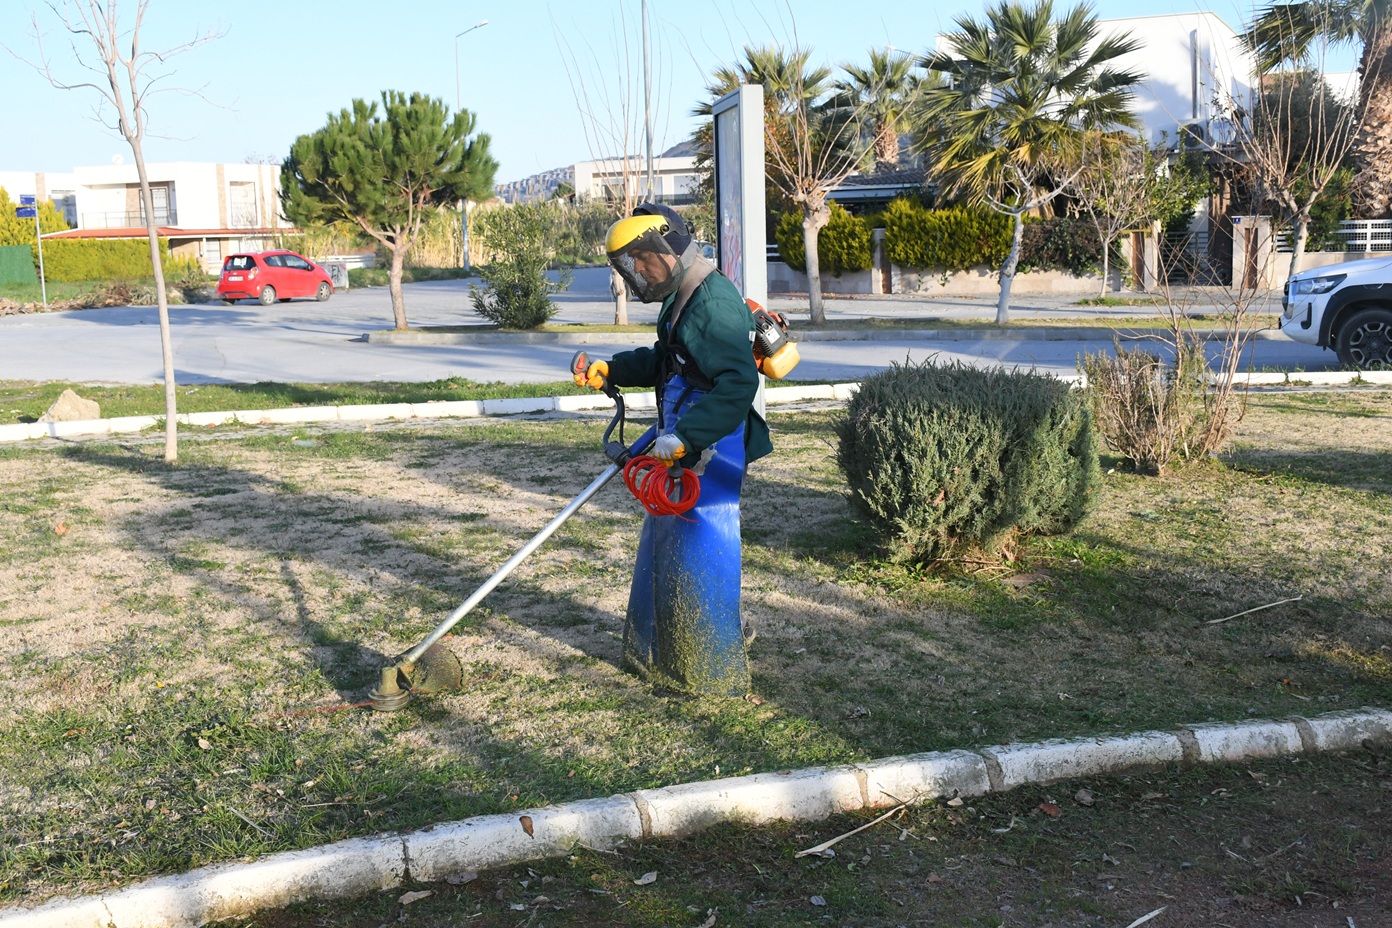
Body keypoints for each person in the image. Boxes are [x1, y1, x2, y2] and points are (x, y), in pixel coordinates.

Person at [574, 203, 771, 696]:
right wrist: (613, 370)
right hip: (683, 442)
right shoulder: (683, 295)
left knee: (702, 542)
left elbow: (737, 383)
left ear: (672, 249)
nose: (638, 270)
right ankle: (661, 652)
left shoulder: (712, 302)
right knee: (667, 541)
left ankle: (709, 667)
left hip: (712, 447)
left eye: (644, 259)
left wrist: (688, 437)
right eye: (631, 263)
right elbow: (669, 362)